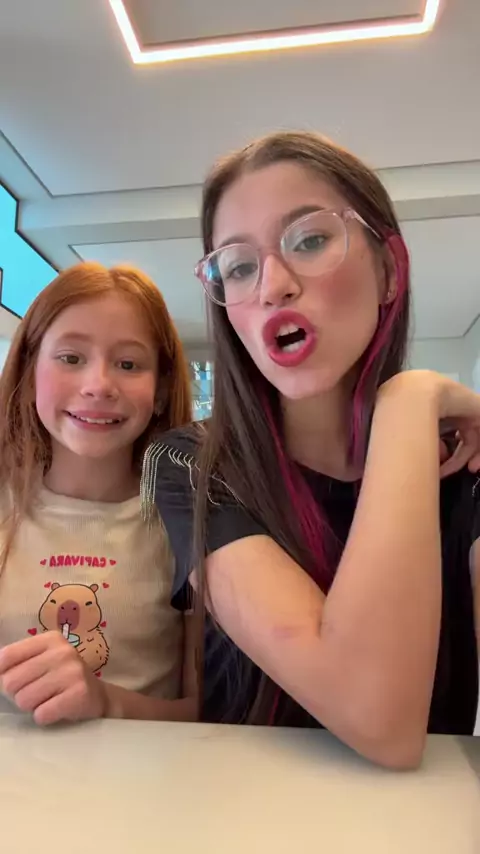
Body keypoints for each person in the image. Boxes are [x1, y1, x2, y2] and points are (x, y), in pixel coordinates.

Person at [142, 131, 480, 768]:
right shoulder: (190, 463)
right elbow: (376, 716)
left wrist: (406, 408)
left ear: (390, 271)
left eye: (309, 240)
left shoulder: (464, 468)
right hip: (240, 810)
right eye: (239, 266)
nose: (272, 286)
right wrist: (409, 398)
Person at [0, 262, 196, 725]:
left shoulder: (191, 525)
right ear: (29, 372)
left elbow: (209, 713)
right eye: (71, 358)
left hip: (142, 771)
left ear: (162, 390)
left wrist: (107, 703)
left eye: (128, 364)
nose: (98, 386)